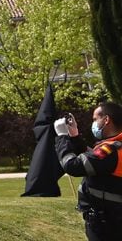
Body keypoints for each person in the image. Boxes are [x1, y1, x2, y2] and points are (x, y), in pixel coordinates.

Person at [55, 100, 122, 240]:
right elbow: (93, 158)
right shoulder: (115, 146)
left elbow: (73, 166)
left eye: (95, 119)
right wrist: (74, 136)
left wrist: (61, 137)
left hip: (107, 224)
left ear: (106, 119)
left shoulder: (109, 150)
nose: (94, 124)